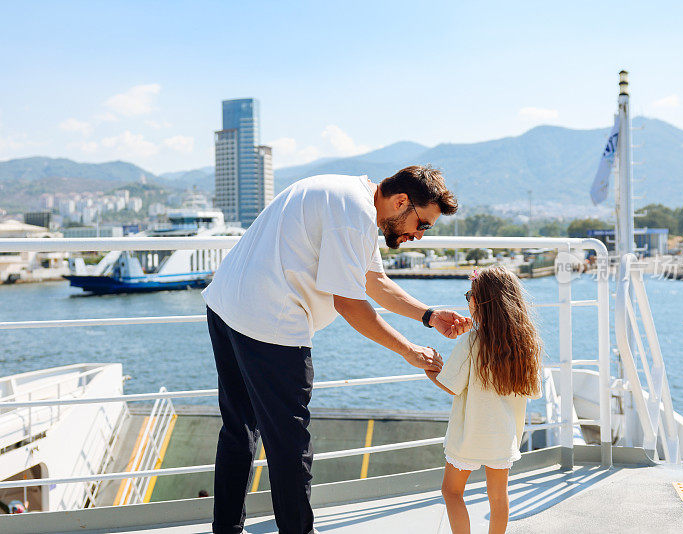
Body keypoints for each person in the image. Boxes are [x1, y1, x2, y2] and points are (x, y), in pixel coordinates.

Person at [202, 165, 473, 534]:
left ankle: (226, 529)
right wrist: (409, 351)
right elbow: (350, 305)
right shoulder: (355, 216)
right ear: (401, 201)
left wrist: (428, 315)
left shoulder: (350, 199)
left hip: (226, 306)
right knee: (290, 444)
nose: (420, 236)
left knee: (239, 428)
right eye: (422, 224)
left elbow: (373, 282)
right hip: (270, 321)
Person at [425, 265, 542, 534]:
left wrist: (432, 368)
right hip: (503, 436)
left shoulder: (472, 342)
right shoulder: (528, 344)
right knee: (498, 498)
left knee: (452, 491)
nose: (468, 302)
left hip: (470, 434)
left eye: (469, 296)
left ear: (481, 303)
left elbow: (450, 386)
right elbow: (533, 391)